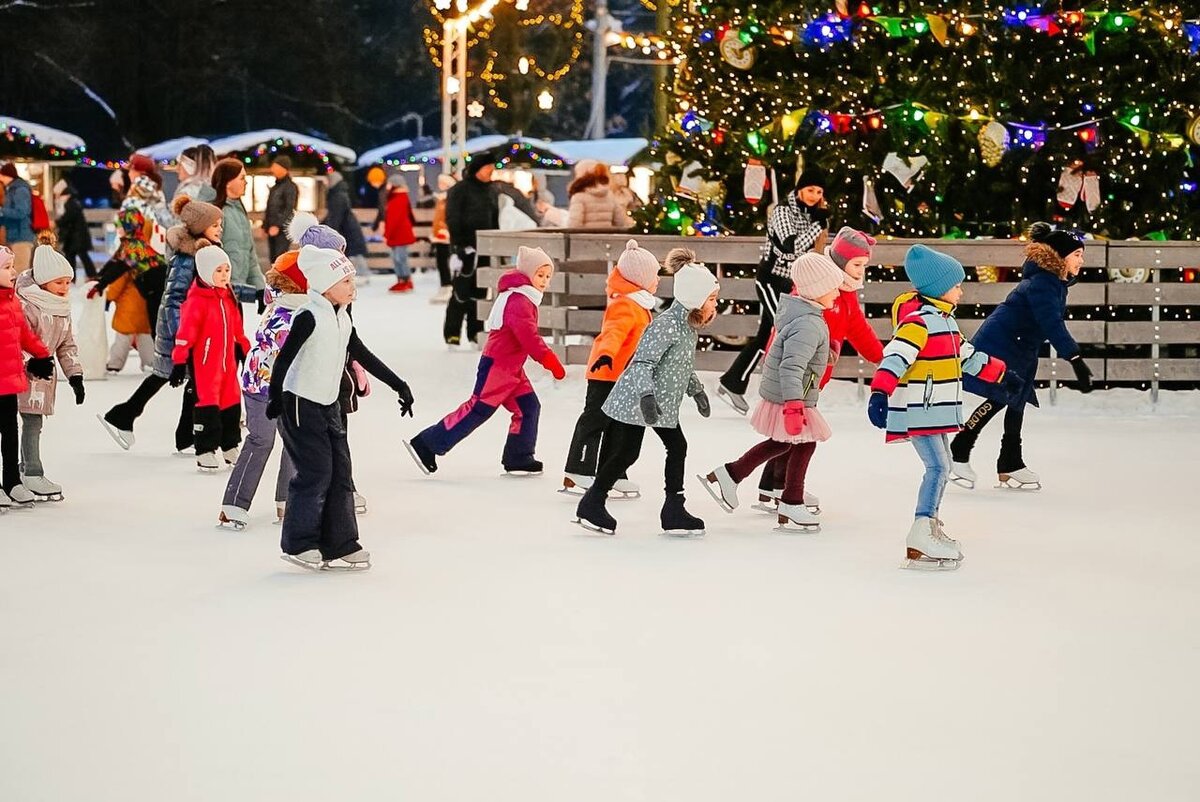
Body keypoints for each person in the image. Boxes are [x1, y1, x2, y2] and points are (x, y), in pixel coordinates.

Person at [866, 244, 1019, 570]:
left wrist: (1004, 375)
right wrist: (880, 393)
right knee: (938, 468)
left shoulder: (946, 323)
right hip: (921, 409)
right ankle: (921, 530)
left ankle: (930, 525)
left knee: (944, 465)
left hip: (936, 409)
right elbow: (895, 358)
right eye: (957, 285)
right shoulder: (918, 323)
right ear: (939, 288)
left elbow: (969, 357)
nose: (961, 291)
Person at [267, 245, 415, 571]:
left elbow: (362, 353)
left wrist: (398, 384)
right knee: (316, 472)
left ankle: (341, 543)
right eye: (346, 281)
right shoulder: (309, 316)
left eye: (352, 279)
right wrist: (275, 397)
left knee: (341, 473)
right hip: (299, 405)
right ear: (324, 286)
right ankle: (299, 543)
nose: (353, 287)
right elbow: (285, 358)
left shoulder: (342, 318)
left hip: (328, 405)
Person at [698, 253, 844, 532]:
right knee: (801, 443)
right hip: (792, 395)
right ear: (816, 290)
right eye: (832, 287)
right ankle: (788, 501)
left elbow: (794, 353)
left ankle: (732, 476)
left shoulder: (804, 314)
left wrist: (826, 353)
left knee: (785, 443)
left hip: (790, 393)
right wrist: (793, 405)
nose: (837, 293)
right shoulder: (808, 323)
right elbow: (791, 365)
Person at [573, 261, 719, 537]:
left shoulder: (686, 326)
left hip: (658, 402)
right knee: (634, 452)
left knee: (663, 448)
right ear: (695, 299)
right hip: (640, 398)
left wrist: (696, 390)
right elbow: (642, 364)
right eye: (711, 299)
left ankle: (671, 509)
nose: (715, 305)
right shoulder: (666, 326)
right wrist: (647, 397)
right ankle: (596, 502)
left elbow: (679, 367)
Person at [950, 223, 1092, 491]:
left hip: (1021, 347)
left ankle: (1010, 462)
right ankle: (959, 449)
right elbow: (1052, 324)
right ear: (1060, 257)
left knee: (1017, 402)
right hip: (1004, 344)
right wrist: (1075, 359)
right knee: (1001, 397)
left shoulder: (1054, 282)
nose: (1081, 260)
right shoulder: (1043, 284)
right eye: (1077, 255)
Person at [752, 226, 883, 514]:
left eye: (864, 265)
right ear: (839, 263)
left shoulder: (843, 294)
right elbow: (788, 331)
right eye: (857, 265)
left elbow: (858, 329)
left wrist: (880, 358)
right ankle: (772, 485)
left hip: (813, 375)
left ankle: (774, 484)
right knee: (795, 433)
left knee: (789, 433)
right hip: (796, 374)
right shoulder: (816, 290)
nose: (861, 271)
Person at [405, 246, 564, 476]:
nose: (545, 281)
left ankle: (519, 456)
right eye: (540, 275)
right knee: (478, 409)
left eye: (548, 276)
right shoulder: (519, 300)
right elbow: (529, 337)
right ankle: (427, 444)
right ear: (528, 274)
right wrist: (549, 360)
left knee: (528, 407)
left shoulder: (525, 297)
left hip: (512, 369)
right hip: (498, 367)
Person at [97, 195, 224, 451]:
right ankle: (182, 433)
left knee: (169, 377)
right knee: (184, 378)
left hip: (183, 328)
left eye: (220, 224)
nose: (220, 229)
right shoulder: (188, 259)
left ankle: (145, 422)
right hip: (178, 330)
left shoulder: (201, 255)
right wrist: (182, 342)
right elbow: (174, 299)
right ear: (200, 228)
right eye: (215, 225)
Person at [716, 169, 829, 414]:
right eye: (810, 190)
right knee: (780, 330)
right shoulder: (782, 212)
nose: (814, 195)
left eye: (819, 192)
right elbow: (789, 249)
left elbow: (813, 253)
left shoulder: (813, 216)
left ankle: (733, 382)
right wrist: (816, 226)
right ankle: (768, 391)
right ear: (800, 190)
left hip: (789, 284)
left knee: (768, 333)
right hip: (770, 279)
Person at [562, 239, 659, 497]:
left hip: (624, 377)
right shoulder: (625, 304)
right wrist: (605, 355)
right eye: (654, 276)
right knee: (596, 421)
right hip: (606, 374)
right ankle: (578, 470)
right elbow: (612, 333)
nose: (657, 280)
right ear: (640, 279)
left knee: (619, 425)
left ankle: (612, 472)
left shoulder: (640, 304)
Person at [218, 252, 308, 529]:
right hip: (263, 385)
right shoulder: (290, 311)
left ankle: (287, 501)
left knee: (294, 441)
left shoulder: (295, 305)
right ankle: (234, 504)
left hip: (288, 386)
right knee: (261, 440)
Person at [169, 245, 251, 472]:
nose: (225, 275)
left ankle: (230, 445)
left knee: (232, 401)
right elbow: (185, 335)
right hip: (205, 364)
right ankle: (205, 449)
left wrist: (245, 349)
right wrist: (178, 362)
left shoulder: (227, 297)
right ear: (205, 272)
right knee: (208, 403)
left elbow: (237, 329)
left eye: (227, 270)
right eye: (219, 271)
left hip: (227, 363)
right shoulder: (197, 300)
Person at [16, 236, 85, 501]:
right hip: (17, 374)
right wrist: (29, 361)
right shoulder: (26, 304)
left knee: (34, 423)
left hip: (42, 379)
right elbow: (14, 339)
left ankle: (26, 472)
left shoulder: (61, 307)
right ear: (43, 280)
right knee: (23, 425)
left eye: (68, 282)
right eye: (59, 282)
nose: (65, 288)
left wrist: (75, 375)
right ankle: (28, 472)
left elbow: (66, 345)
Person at [90, 175, 167, 373]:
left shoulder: (135, 245)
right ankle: (153, 361)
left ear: (130, 227)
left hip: (155, 285)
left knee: (154, 325)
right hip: (149, 286)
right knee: (149, 326)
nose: (118, 230)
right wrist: (100, 277)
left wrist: (102, 283)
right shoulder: (130, 244)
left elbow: (121, 267)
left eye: (121, 227)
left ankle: (160, 362)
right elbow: (115, 262)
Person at [0, 244, 53, 509]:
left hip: (8, 381)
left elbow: (24, 334)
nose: (14, 272)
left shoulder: (12, 301)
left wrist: (42, 355)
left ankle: (11, 481)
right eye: (7, 268)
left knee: (10, 432)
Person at [443, 157, 499, 346]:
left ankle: (475, 331)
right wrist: (458, 245)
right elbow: (452, 217)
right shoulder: (460, 190)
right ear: (478, 169)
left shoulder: (491, 191)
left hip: (485, 248)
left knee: (480, 292)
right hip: (465, 248)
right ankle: (452, 333)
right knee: (461, 291)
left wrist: (495, 243)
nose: (491, 171)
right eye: (488, 167)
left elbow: (494, 219)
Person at [211, 158, 265, 311]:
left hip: (235, 294)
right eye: (242, 178)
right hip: (220, 294)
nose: (246, 182)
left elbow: (250, 254)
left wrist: (260, 288)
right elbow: (211, 256)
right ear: (228, 182)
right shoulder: (217, 213)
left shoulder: (240, 211)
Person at [323, 170, 370, 288]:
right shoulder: (339, 193)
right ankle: (361, 274)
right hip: (348, 229)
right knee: (354, 252)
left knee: (354, 252)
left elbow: (335, 216)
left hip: (348, 230)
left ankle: (362, 274)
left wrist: (329, 230)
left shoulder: (337, 196)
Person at [567, 162, 633, 229]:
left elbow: (574, 225)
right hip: (607, 237)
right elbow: (620, 222)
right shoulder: (610, 195)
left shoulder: (578, 197)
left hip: (586, 238)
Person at [52, 179, 94, 280]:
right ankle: (82, 276)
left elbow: (68, 218)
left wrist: (56, 223)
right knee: (75, 256)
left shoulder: (71, 204)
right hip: (74, 236)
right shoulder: (73, 202)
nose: (57, 197)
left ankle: (87, 275)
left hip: (76, 237)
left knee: (77, 256)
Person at [384, 174, 417, 293]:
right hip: (397, 233)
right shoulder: (396, 197)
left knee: (400, 258)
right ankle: (401, 280)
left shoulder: (399, 197)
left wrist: (387, 234)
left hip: (400, 233)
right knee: (396, 258)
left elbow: (394, 218)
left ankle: (406, 280)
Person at [0, 163, 35, 271]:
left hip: (22, 237)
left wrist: (2, 211)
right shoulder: (11, 189)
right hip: (14, 236)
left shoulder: (20, 190)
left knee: (20, 272)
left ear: (6, 175)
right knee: (14, 271)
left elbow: (22, 212)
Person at [263, 156, 298, 262]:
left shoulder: (290, 187)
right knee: (273, 258)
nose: (272, 170)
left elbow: (289, 209)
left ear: (284, 169)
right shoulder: (275, 187)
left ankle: (279, 278)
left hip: (282, 230)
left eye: (275, 167)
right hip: (272, 228)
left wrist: (277, 225)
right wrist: (265, 225)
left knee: (280, 258)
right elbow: (269, 207)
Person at [429, 174, 456, 303]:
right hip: (439, 234)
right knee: (441, 261)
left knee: (445, 261)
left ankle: (448, 285)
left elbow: (448, 217)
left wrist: (445, 229)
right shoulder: (442, 198)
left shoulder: (449, 199)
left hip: (445, 235)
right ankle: (445, 284)